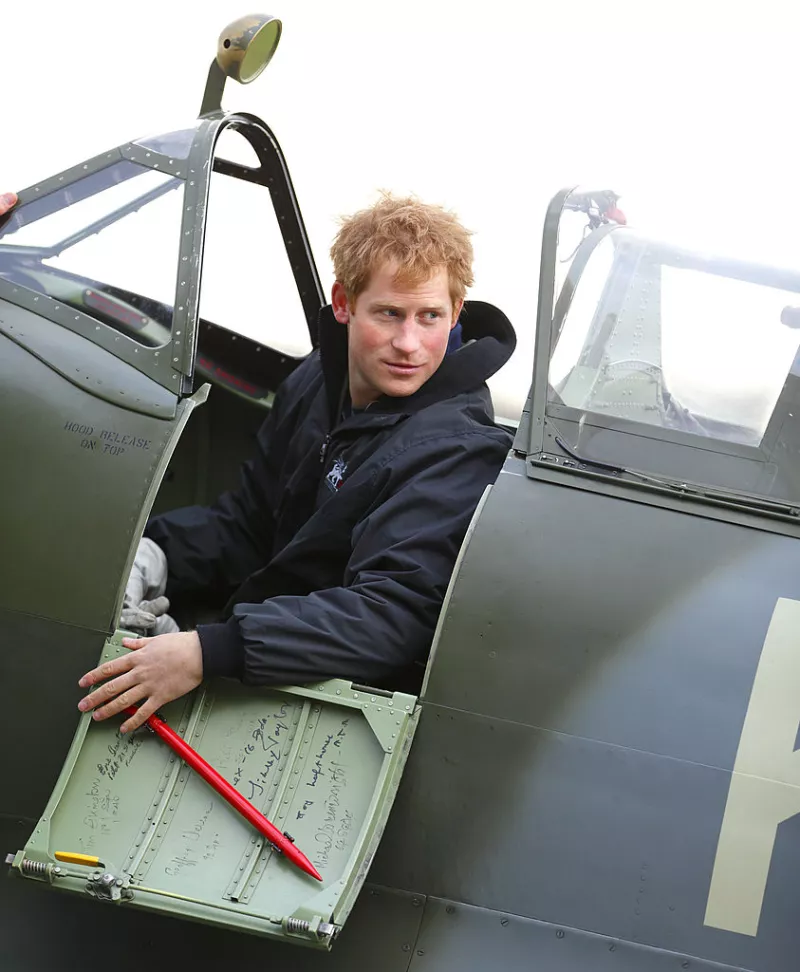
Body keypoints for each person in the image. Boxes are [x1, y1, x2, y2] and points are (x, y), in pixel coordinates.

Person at [4, 190, 516, 732]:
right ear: (344, 304)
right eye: (388, 314)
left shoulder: (455, 449)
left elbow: (390, 616)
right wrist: (151, 553)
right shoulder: (319, 381)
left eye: (430, 317)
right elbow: (250, 529)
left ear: (456, 312)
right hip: (258, 641)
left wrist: (207, 652)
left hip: (331, 700)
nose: (409, 343)